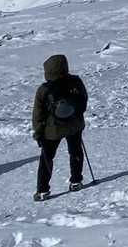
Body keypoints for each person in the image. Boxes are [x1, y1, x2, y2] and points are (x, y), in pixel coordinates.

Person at [32, 54, 87, 201]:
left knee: (47, 158)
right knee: (75, 152)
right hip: (75, 125)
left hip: (52, 130)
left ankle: (43, 190)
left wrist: (38, 132)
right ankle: (76, 181)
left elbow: (38, 114)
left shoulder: (43, 90)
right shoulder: (75, 82)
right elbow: (83, 101)